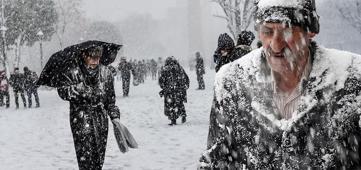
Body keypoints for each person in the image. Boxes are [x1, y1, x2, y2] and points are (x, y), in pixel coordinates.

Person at [200, 0, 361, 169]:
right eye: (267, 31)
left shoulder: (353, 80)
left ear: (311, 31)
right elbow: (216, 161)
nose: (276, 45)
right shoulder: (231, 81)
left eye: (287, 31)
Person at [57, 46, 121, 170]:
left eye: (98, 57)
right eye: (93, 57)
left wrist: (115, 116)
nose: (96, 61)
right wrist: (80, 90)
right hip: (80, 119)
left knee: (99, 157)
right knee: (85, 157)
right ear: (84, 55)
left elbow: (110, 100)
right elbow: (62, 91)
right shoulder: (73, 71)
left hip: (101, 119)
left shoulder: (106, 72)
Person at [159, 57, 189, 125]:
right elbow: (186, 78)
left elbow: (161, 80)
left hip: (170, 90)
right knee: (179, 103)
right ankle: (183, 115)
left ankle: (173, 119)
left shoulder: (165, 69)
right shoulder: (179, 68)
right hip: (179, 90)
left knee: (170, 105)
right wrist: (184, 86)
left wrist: (164, 87)